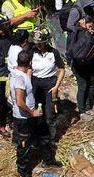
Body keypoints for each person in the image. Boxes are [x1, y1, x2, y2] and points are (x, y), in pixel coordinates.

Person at [9, 49, 47, 177]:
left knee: (26, 140)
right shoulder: (20, 79)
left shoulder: (15, 72)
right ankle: (23, 171)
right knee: (23, 144)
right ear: (30, 63)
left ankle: (25, 164)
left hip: (23, 116)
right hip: (24, 117)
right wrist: (32, 112)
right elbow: (20, 102)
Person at [29, 29, 67, 158]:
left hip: (50, 84)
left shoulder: (53, 53)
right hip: (35, 84)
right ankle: (37, 138)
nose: (38, 46)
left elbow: (62, 69)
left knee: (49, 112)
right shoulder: (31, 53)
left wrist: (56, 86)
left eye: (41, 43)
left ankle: (51, 138)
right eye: (36, 43)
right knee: (37, 112)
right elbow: (28, 71)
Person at [67, 14, 94, 114]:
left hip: (85, 64)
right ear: (82, 22)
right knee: (82, 86)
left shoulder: (84, 33)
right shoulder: (78, 33)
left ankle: (87, 106)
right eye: (89, 26)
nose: (90, 28)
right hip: (78, 65)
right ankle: (81, 109)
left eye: (91, 26)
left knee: (87, 85)